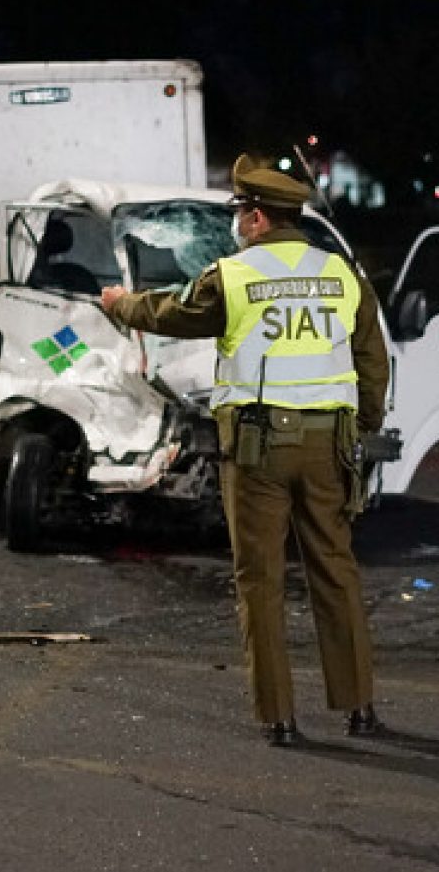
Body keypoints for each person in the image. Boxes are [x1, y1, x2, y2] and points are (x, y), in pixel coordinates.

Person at [101, 153, 390, 747]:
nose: (236, 223)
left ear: (257, 219)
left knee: (259, 578)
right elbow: (372, 360)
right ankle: (359, 706)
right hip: (327, 446)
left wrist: (118, 305)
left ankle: (279, 716)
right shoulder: (342, 275)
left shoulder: (234, 276)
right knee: (335, 571)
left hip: (258, 450)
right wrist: (363, 426)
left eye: (239, 213)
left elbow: (170, 311)